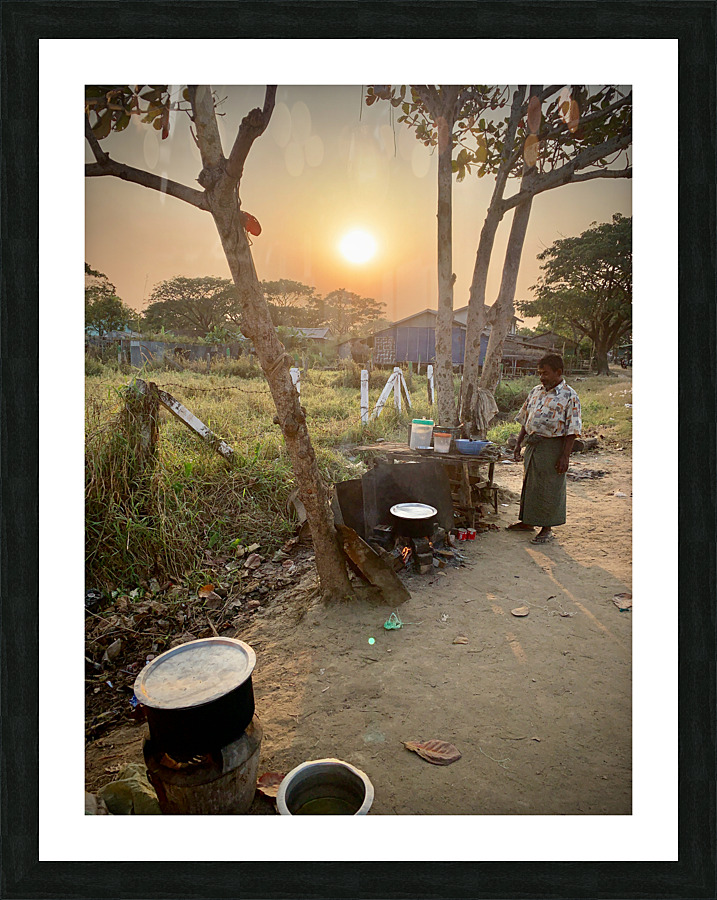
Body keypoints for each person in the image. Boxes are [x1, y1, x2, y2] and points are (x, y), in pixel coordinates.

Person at [506, 354, 582, 544]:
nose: (541, 377)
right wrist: (518, 444)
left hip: (553, 447)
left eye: (545, 373)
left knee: (549, 487)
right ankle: (527, 521)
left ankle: (547, 528)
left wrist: (565, 456)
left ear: (558, 372)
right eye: (539, 373)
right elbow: (525, 419)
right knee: (530, 484)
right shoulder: (536, 391)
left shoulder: (570, 396)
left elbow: (572, 430)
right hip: (533, 445)